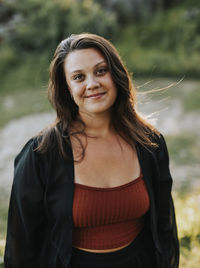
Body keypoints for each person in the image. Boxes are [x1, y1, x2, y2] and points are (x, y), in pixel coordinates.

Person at [4, 33, 179, 268]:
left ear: (116, 74)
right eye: (78, 77)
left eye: (100, 71)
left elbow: (164, 229)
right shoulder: (41, 155)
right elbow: (21, 250)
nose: (92, 84)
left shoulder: (150, 143)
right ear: (67, 88)